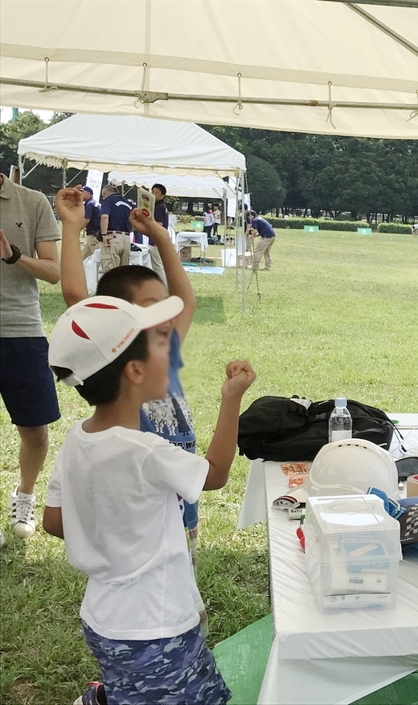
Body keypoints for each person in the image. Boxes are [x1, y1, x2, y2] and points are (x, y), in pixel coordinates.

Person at [43, 292, 255, 705]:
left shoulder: (76, 440)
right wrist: (232, 399)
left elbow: (53, 521)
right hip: (155, 631)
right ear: (136, 371)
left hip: (102, 621)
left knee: (131, 693)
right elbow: (215, 474)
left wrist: (110, 524)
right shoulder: (143, 450)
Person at [57, 187, 206, 628]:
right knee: (145, 607)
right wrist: (70, 227)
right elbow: (73, 294)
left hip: (174, 509)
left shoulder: (163, 349)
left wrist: (160, 235)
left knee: (183, 593)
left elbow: (187, 299)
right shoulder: (120, 361)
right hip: (134, 524)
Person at [0, 173, 62, 544]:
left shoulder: (32, 201)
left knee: (35, 429)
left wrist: (14, 256)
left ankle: (25, 495)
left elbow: (54, 272)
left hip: (21, 330)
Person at [98, 185, 133, 275]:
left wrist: (104, 235)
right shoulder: (129, 204)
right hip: (126, 238)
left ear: (105, 194)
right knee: (123, 273)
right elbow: (136, 221)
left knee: (111, 272)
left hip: (112, 237)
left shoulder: (108, 201)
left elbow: (105, 217)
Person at [79, 186, 101, 260]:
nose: (80, 194)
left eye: (82, 192)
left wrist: (77, 230)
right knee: (83, 257)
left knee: (98, 258)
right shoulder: (95, 203)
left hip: (93, 235)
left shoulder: (89, 204)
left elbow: (86, 220)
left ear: (88, 193)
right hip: (96, 234)